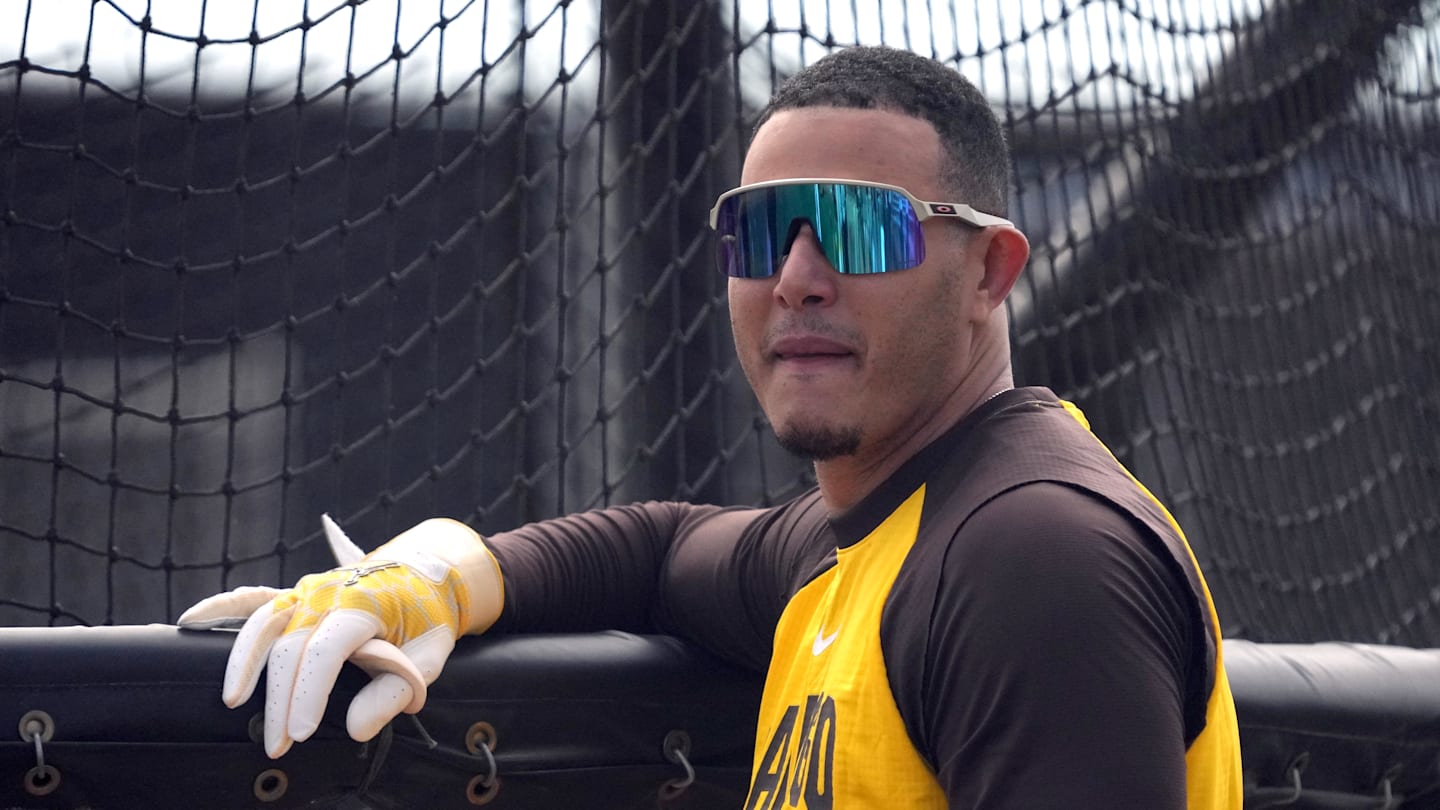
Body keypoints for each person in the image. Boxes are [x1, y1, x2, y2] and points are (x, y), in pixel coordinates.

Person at [180, 45, 1243, 808]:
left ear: (990, 270)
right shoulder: (872, 529)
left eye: (855, 230)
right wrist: (444, 577)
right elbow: (662, 547)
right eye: (762, 230)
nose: (796, 280)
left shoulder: (1029, 558)